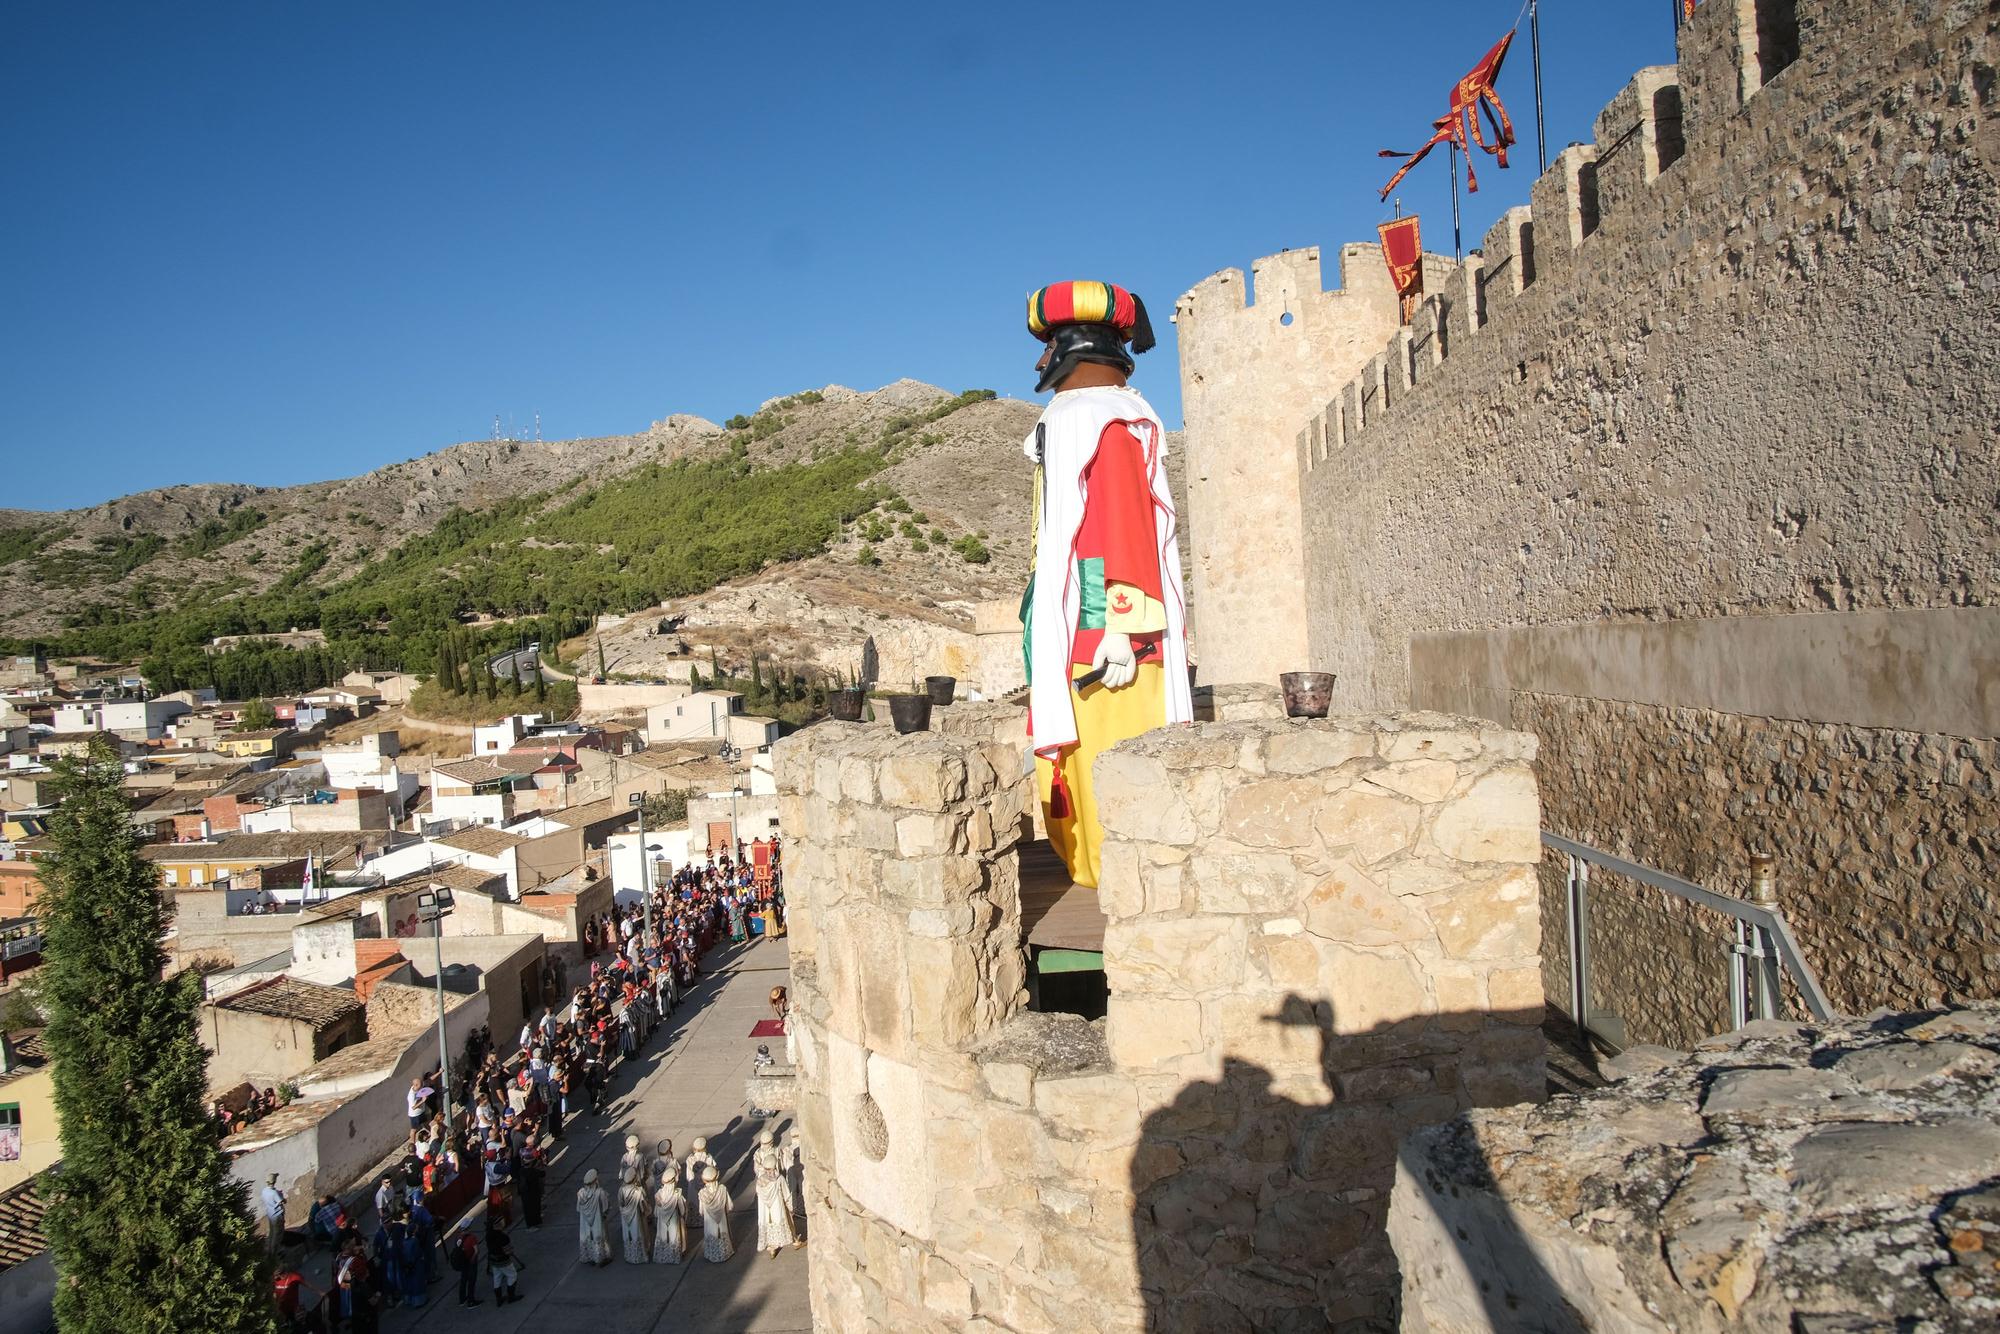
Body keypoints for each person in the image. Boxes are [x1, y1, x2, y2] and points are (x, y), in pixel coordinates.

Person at [1021, 280, 1191, 890]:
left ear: (1076, 347)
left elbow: (1123, 523)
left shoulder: (1105, 423)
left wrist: (1120, 625)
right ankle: (1097, 867)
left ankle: (1119, 874)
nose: (1042, 362)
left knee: (1108, 755)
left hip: (1106, 632)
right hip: (1083, 622)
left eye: (1051, 346)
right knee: (1087, 756)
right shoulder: (1082, 419)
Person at [752, 1130, 800, 1256]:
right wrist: (791, 1206)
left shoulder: (759, 1182)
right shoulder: (779, 1178)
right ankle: (795, 1239)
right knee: (785, 1218)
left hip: (765, 1200)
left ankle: (771, 1246)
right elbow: (786, 1193)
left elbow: (757, 1171)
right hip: (777, 1200)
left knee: (768, 1221)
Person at [652, 1163, 689, 1264]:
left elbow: (655, 1213)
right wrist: (684, 1216)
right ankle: (674, 1256)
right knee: (673, 1235)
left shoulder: (658, 1195)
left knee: (663, 1236)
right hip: (674, 1219)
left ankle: (662, 1255)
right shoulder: (677, 1195)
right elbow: (682, 1210)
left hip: (662, 1222)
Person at [576, 1167, 612, 1266]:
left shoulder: (580, 1193)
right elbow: (606, 1207)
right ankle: (602, 1257)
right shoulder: (600, 1192)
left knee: (589, 1237)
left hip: (585, 1223)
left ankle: (590, 1256)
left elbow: (579, 1209)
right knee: (600, 1236)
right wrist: (604, 1214)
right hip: (598, 1220)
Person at [617, 1165, 653, 1264]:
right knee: (639, 1232)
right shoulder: (638, 1191)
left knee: (629, 1235)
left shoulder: (621, 1190)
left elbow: (620, 1203)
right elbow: (644, 1205)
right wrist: (647, 1212)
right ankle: (642, 1254)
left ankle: (630, 1255)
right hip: (637, 1217)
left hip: (625, 1218)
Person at [698, 1166, 733, 1263]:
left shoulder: (702, 1193)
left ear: (704, 1180)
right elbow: (730, 1206)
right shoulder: (722, 1189)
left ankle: (712, 1254)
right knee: (722, 1233)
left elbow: (701, 1211)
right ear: (717, 1176)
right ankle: (724, 1253)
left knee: (711, 1233)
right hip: (721, 1218)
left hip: (710, 1222)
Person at [486, 1221, 522, 1306]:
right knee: (512, 1275)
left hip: (494, 1260)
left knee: (497, 1277)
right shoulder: (503, 1237)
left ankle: (499, 1299)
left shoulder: (488, 1235)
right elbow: (508, 1251)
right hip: (504, 1261)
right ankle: (511, 1296)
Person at [448, 1226, 482, 1308]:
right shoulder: (472, 1237)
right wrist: (473, 1259)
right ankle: (471, 1301)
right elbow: (476, 1250)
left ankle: (462, 1299)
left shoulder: (458, 1237)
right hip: (470, 1260)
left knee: (463, 1279)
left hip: (462, 1261)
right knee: (472, 1280)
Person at [683, 1136, 717, 1218]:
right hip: (705, 1183)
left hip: (693, 1184)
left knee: (694, 1200)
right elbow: (713, 1170)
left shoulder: (690, 1159)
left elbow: (689, 1175)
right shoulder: (708, 1158)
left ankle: (694, 1219)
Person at [260, 1173, 287, 1257]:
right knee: (278, 1234)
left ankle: (270, 1249)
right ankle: (275, 1251)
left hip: (270, 1214)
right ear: (274, 1181)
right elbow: (282, 1201)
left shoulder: (264, 1191)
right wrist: (281, 1195)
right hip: (277, 1215)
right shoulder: (274, 1193)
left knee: (272, 1233)